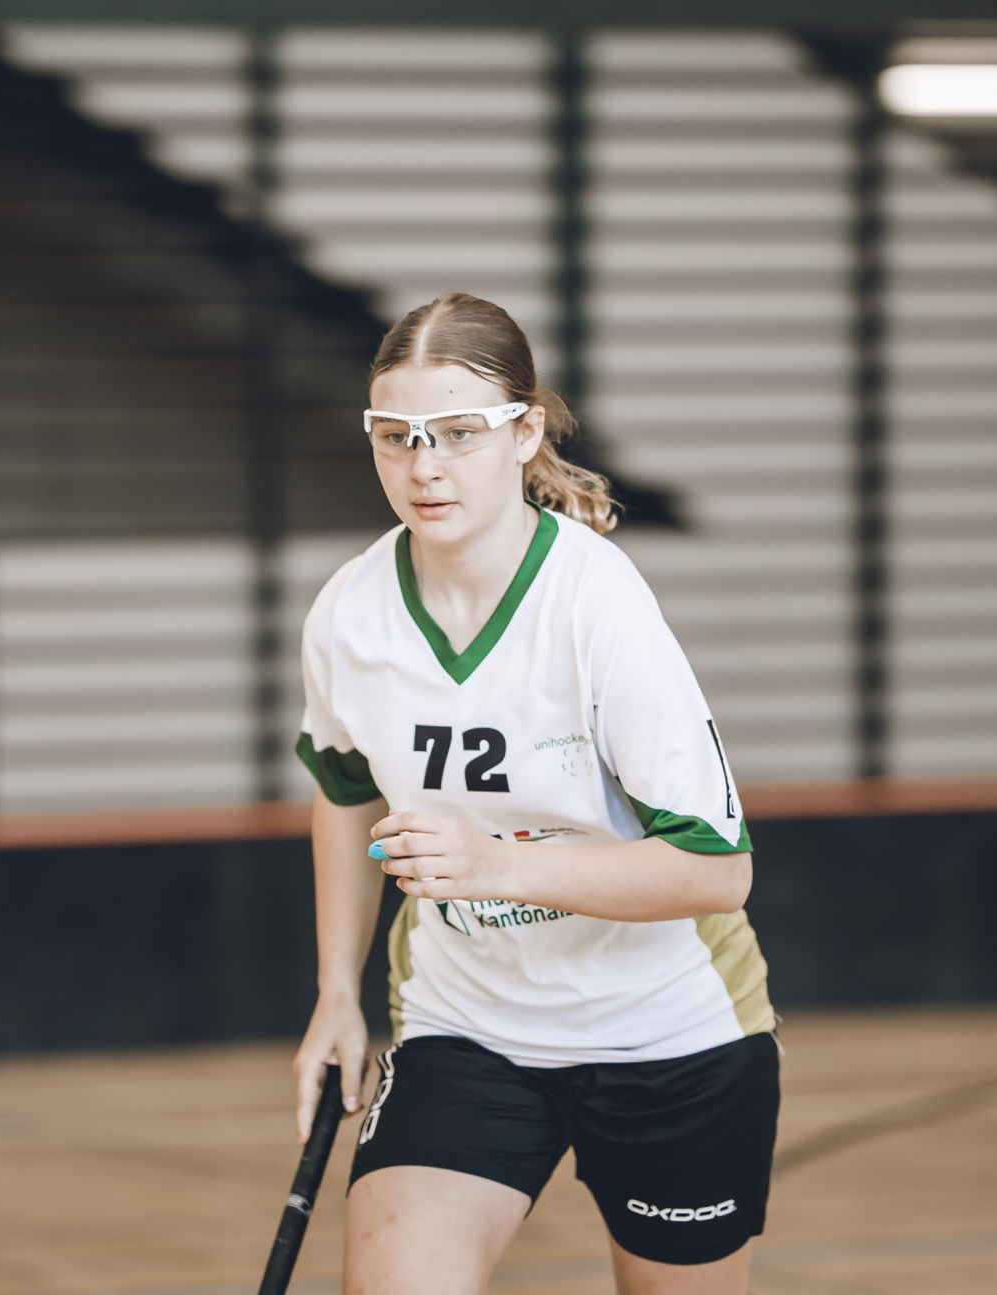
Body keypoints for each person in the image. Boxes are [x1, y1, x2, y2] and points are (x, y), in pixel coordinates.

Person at [290, 292, 778, 1295]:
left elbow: (716, 872)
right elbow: (344, 794)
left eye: (459, 432)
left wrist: (500, 864)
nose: (424, 466)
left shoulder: (598, 605)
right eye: (395, 435)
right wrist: (337, 989)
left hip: (667, 1030)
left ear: (524, 432)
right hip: (466, 1025)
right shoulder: (349, 613)